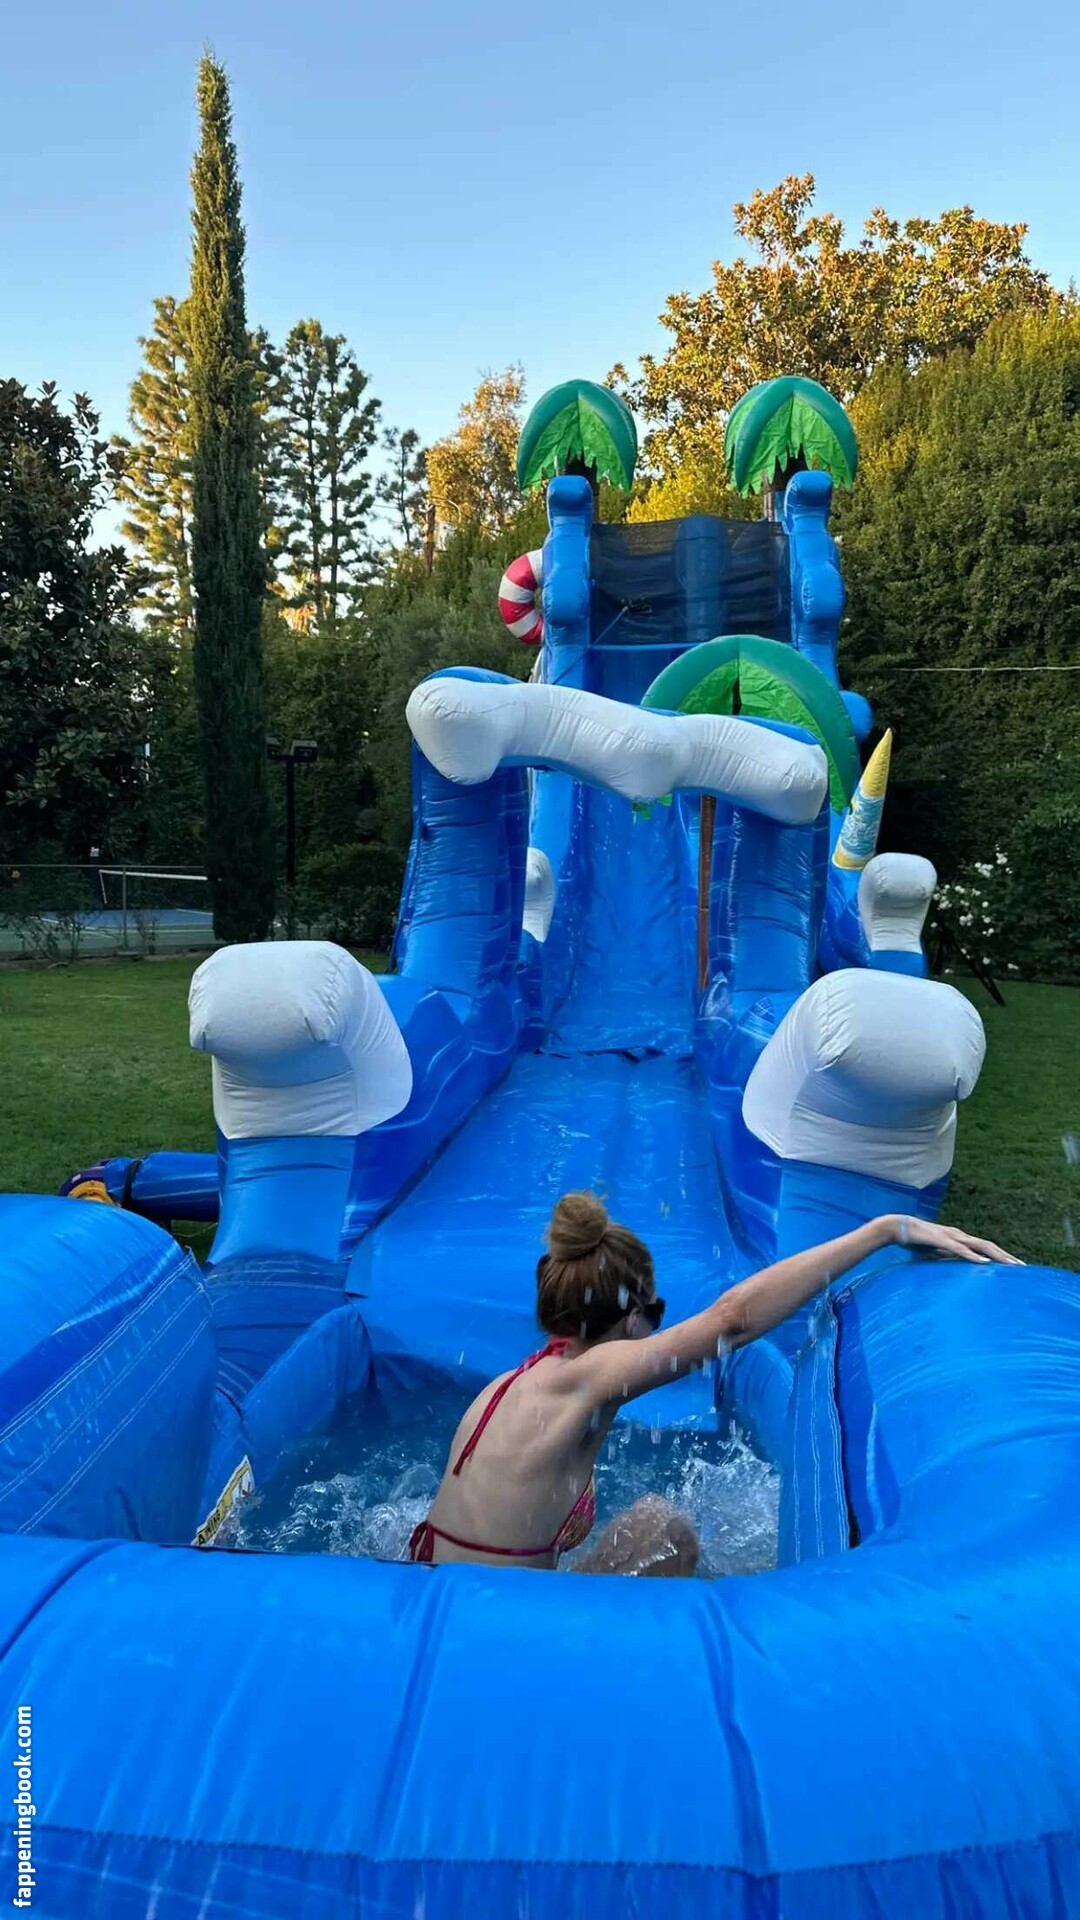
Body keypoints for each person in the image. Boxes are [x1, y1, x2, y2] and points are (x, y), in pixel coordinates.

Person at [407, 1192, 1020, 1574]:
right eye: (656, 1313)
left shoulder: (508, 1386)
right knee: (669, 1535)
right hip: (493, 1631)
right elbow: (732, 1321)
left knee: (649, 1519)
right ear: (631, 1316)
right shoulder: (588, 1378)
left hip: (431, 1591)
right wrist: (882, 1231)